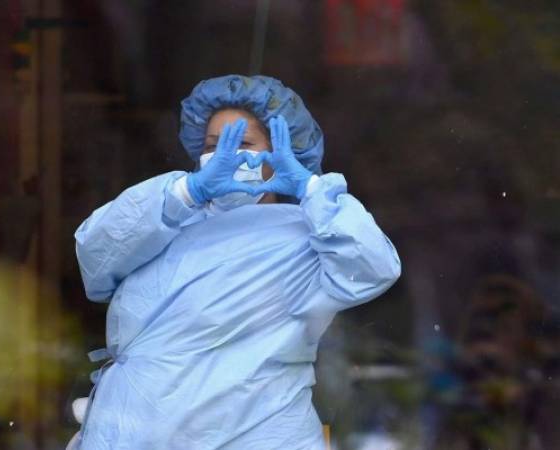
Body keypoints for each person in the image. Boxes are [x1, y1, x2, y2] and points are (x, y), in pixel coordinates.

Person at [70, 74, 401, 450]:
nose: (227, 158)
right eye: (214, 146)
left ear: (282, 154)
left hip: (256, 433)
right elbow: (96, 259)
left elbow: (374, 267)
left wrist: (311, 188)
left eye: (243, 144)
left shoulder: (311, 234)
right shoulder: (170, 214)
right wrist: (186, 193)